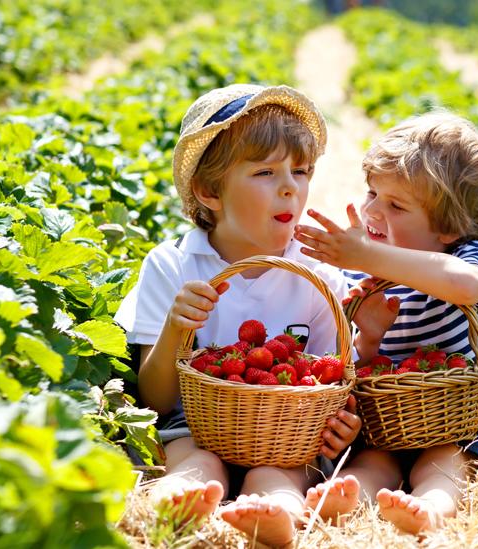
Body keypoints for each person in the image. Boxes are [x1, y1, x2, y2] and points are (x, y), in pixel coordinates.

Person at [114, 83, 364, 547]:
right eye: (266, 172)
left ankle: (277, 515)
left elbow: (331, 383)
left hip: (287, 437)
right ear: (209, 191)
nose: (290, 186)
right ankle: (177, 498)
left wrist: (341, 422)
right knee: (191, 459)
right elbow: (156, 400)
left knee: (280, 473)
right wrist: (176, 328)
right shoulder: (172, 267)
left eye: (301, 171)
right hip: (194, 427)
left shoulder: (318, 276)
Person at [294, 112, 478, 534]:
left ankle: (433, 506)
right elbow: (362, 364)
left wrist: (367, 257)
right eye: (372, 194)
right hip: (390, 422)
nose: (372, 211)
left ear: (450, 227)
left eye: (396, 205)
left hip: (459, 419)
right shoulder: (369, 279)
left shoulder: (468, 259)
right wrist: (371, 336)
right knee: (371, 462)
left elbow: (467, 286)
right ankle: (349, 498)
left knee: (444, 461)